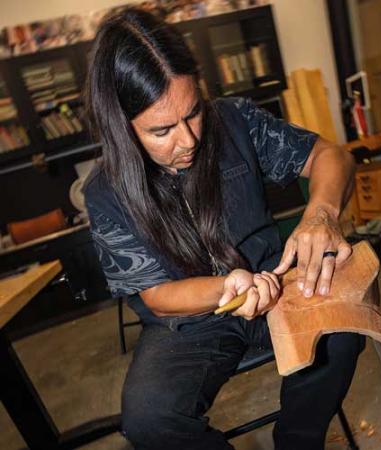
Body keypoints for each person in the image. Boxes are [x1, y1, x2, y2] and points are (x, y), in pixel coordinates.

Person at [83, 6, 364, 450]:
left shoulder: (234, 120)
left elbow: (333, 156)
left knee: (344, 329)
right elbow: (157, 297)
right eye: (162, 130)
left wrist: (321, 214)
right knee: (150, 420)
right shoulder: (104, 192)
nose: (188, 140)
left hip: (277, 283)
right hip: (193, 316)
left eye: (192, 113)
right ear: (122, 127)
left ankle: (298, 440)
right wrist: (225, 287)